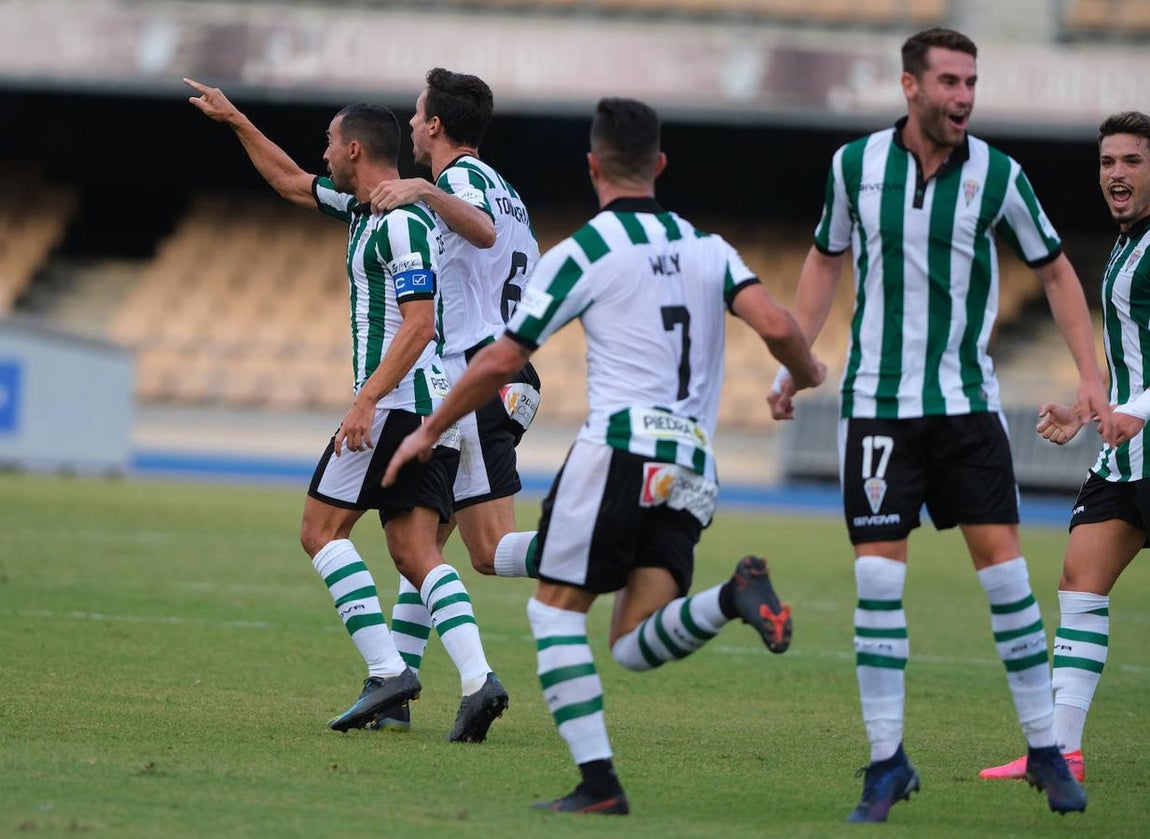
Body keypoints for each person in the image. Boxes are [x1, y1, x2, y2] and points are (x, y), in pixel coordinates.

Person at [383, 97, 825, 814]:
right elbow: (776, 324)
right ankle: (732, 596)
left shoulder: (587, 251)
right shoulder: (710, 249)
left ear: (593, 167)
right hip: (692, 464)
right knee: (631, 641)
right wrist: (802, 376)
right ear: (660, 165)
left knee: (554, 615)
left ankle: (599, 786)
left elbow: (502, 357)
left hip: (619, 450)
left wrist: (430, 428)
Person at [768, 28, 1108, 821]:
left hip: (966, 407)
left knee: (1006, 577)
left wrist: (1090, 376)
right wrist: (794, 359)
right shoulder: (854, 165)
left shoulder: (999, 174)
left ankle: (1046, 749)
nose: (964, 97)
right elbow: (824, 258)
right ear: (910, 86)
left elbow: (1057, 269)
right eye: (950, 81)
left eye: (971, 83)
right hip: (877, 409)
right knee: (878, 582)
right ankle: (887, 761)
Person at [184, 78, 509, 742]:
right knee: (414, 552)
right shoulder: (364, 210)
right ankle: (479, 680)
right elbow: (289, 181)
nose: (324, 152)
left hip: (397, 405)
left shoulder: (402, 221)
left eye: (330, 141)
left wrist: (364, 400)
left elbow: (420, 324)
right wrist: (236, 119)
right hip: (423, 408)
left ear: (354, 149)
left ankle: (388, 672)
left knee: (319, 530)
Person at [365, 68, 543, 733]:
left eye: (417, 116)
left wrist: (423, 191)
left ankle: (599, 545)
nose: (411, 126)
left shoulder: (461, 181)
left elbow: (483, 233)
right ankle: (394, 691)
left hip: (476, 375)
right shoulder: (507, 189)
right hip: (506, 374)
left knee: (488, 550)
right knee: (424, 543)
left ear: (436, 125)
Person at [980, 110, 1150, 785]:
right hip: (1128, 453)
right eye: (1108, 161)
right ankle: (1060, 751)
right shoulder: (1127, 244)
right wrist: (1090, 409)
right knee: (1080, 582)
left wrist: (1138, 410)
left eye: (1132, 160)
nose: (1116, 173)